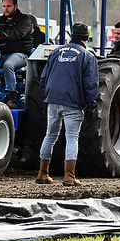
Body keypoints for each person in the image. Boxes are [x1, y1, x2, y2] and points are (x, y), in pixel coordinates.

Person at [37, 22, 99, 186]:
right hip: (72, 102)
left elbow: (44, 77)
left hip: (52, 100)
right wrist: (91, 105)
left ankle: (42, 173)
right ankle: (69, 176)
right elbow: (91, 84)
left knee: (50, 136)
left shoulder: (56, 51)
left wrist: (46, 96)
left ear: (72, 36)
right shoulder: (87, 56)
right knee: (72, 137)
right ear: (86, 39)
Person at [0, 0, 32, 109]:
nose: (6, 9)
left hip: (20, 54)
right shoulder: (0, 20)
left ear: (15, 6)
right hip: (2, 53)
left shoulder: (24, 20)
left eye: (8, 6)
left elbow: (15, 34)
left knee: (8, 65)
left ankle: (11, 97)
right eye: (4, 6)